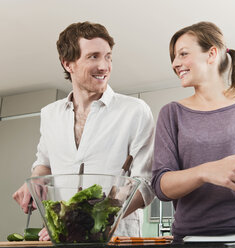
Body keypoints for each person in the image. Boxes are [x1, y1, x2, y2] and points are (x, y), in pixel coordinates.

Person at [12, 21, 155, 240]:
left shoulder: (135, 111)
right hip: (60, 236)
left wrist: (90, 220)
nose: (104, 66)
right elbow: (44, 163)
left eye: (108, 56)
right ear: (68, 63)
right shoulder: (50, 114)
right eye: (93, 56)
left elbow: (145, 183)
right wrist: (34, 182)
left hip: (117, 238)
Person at [151, 21, 235, 241]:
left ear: (211, 53)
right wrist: (206, 171)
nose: (175, 63)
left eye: (183, 54)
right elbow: (160, 187)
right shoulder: (171, 113)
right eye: (174, 57)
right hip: (192, 238)